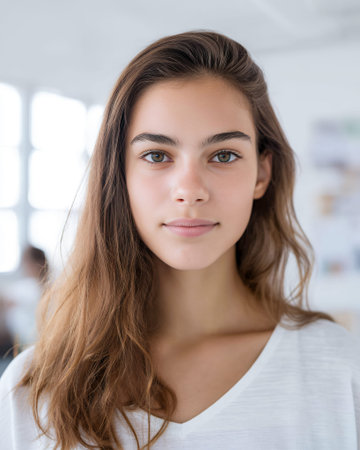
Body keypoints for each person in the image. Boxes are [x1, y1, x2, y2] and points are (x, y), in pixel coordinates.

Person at [0, 30, 359, 450]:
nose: (190, 190)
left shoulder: (340, 371)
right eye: (157, 156)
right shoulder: (33, 389)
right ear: (120, 175)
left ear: (261, 174)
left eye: (223, 155)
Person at [0, 245, 49, 351]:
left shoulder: (31, 288)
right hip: (27, 341)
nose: (25, 267)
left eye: (26, 262)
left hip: (27, 342)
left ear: (37, 263)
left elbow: (6, 299)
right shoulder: (36, 286)